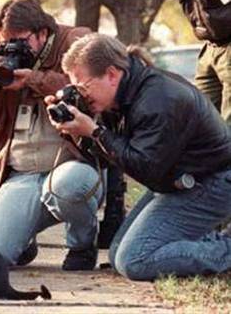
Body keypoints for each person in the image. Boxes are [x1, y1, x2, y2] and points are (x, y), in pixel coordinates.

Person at [50, 32, 231, 280]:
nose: (82, 94)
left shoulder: (158, 99)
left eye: (83, 86)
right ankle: (198, 238)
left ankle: (225, 251)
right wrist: (77, 131)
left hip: (213, 182)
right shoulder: (121, 97)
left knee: (135, 259)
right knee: (117, 255)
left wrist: (96, 132)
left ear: (112, 75)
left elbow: (144, 168)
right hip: (177, 181)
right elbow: (109, 159)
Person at [0, 0, 105, 271]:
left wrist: (34, 79)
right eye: (6, 42)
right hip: (22, 176)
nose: (13, 48)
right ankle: (21, 236)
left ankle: (81, 244)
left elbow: (90, 89)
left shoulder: (76, 41)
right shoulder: (3, 58)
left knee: (68, 185)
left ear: (43, 33)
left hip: (71, 168)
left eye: (20, 40)